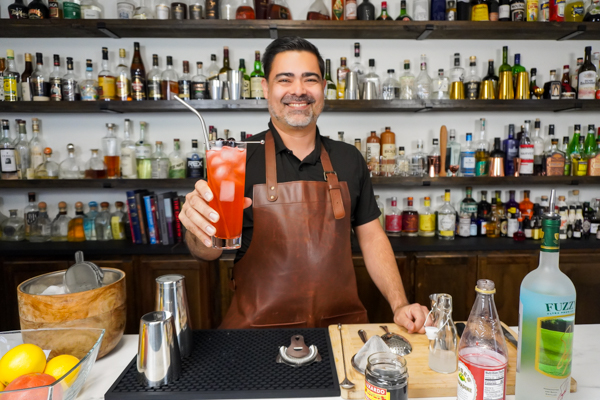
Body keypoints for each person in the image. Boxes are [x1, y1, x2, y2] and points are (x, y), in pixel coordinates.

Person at [180, 36, 429, 332]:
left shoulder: (349, 158)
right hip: (256, 332)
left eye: (309, 80)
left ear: (323, 89)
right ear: (265, 88)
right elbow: (208, 251)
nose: (298, 91)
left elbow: (372, 238)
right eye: (285, 80)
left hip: (340, 330)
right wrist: (198, 229)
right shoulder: (234, 161)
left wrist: (399, 304)